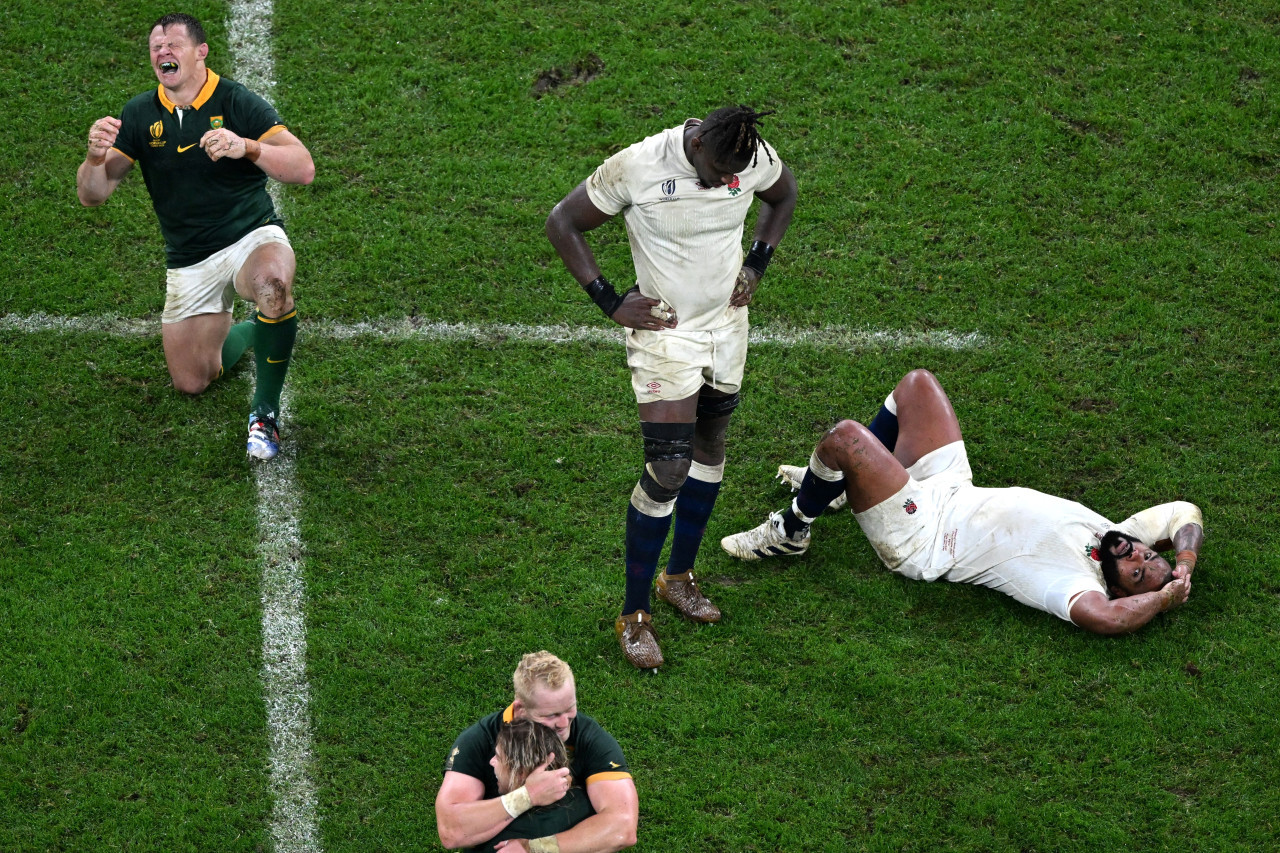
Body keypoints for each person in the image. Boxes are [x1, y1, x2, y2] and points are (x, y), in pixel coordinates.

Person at [545, 106, 798, 669]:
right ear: (699, 142)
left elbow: (783, 195)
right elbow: (563, 221)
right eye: (714, 171)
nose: (722, 183)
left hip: (727, 327)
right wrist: (610, 300)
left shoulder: (746, 155)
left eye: (733, 174)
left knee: (711, 448)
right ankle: (634, 615)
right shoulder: (638, 164)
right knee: (668, 469)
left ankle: (679, 577)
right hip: (665, 332)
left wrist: (756, 264)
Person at [720, 370, 1204, 635]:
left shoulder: (1074, 585)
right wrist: (1183, 562)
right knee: (917, 386)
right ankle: (838, 488)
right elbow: (1184, 511)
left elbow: (1107, 619)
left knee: (846, 440)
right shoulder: (1120, 535)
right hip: (951, 487)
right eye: (1149, 556)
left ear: (1119, 588)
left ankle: (793, 529)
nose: (1139, 556)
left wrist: (1160, 599)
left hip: (923, 536)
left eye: (1137, 571)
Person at [76, 13, 315, 460]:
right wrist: (93, 158)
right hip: (189, 256)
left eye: (173, 44)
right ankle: (253, 330)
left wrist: (248, 146)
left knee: (272, 285)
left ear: (201, 52)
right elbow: (94, 195)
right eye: (156, 46)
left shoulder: (238, 101)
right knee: (192, 381)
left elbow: (303, 169)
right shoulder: (139, 114)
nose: (163, 52)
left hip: (250, 235)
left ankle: (264, 412)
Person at [436, 652, 638, 853]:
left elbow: (623, 826)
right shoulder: (480, 738)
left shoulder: (589, 736)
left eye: (570, 708)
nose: (563, 724)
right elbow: (451, 830)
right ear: (520, 710)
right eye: (551, 715)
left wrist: (534, 848)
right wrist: (528, 796)